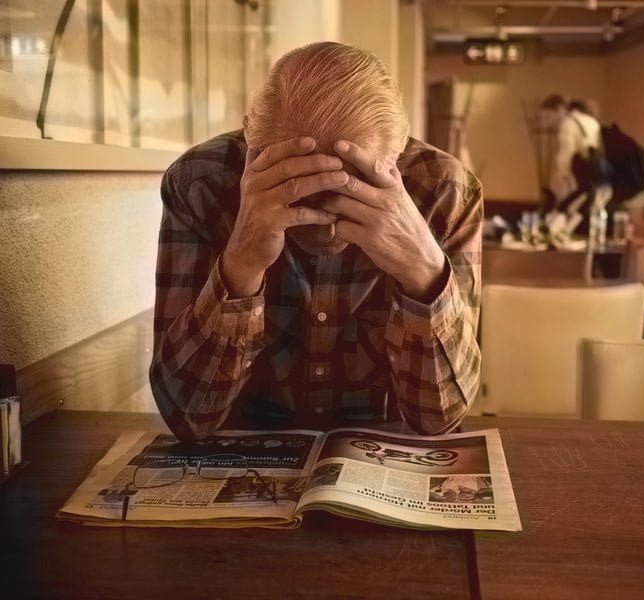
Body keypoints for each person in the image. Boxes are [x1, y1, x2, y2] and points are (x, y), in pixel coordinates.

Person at [150, 42, 483, 441]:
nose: (327, 228)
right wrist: (240, 265)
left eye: (353, 192)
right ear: (252, 150)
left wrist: (423, 270)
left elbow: (440, 419)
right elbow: (185, 414)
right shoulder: (199, 183)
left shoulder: (446, 192)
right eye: (300, 196)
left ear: (397, 155)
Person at [538, 94, 609, 236]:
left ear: (559, 109)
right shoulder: (591, 121)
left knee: (565, 216)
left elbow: (566, 155)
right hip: (599, 180)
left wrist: (558, 183)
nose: (547, 123)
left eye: (548, 117)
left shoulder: (567, 124)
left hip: (581, 181)